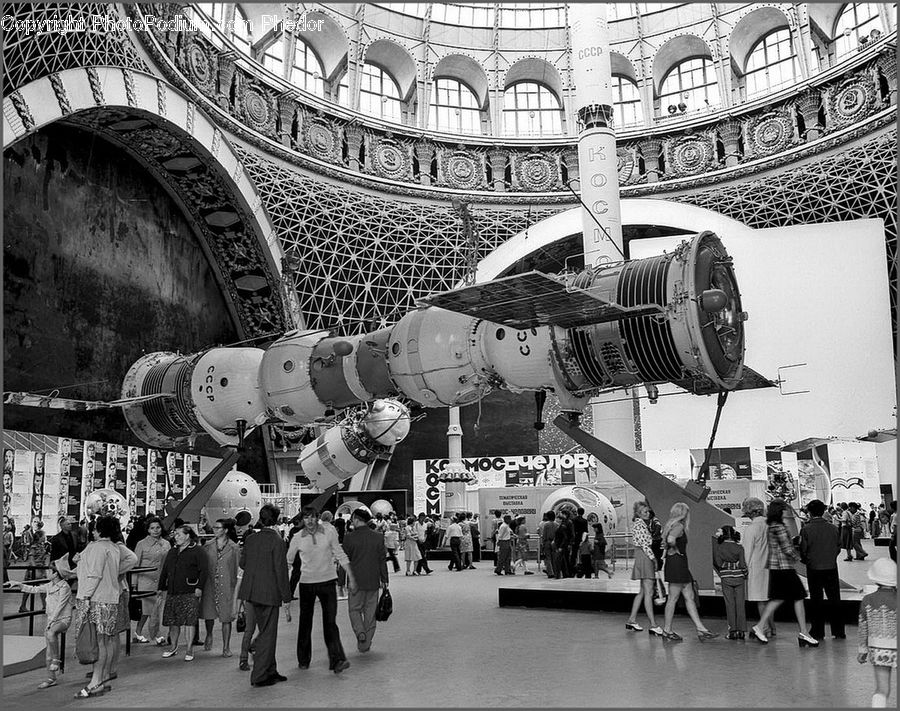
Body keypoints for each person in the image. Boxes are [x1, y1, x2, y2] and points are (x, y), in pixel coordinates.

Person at [285, 505, 356, 674]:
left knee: (330, 622)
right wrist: (284, 589)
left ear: (317, 517)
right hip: (307, 584)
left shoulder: (329, 532)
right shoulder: (297, 537)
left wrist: (351, 577)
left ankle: (337, 660)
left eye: (312, 517)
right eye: (306, 517)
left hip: (327, 581)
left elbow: (340, 554)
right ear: (302, 519)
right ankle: (303, 659)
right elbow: (288, 562)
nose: (309, 521)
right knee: (305, 622)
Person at [750, 499, 819, 647]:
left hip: (776, 568)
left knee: (780, 598)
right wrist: (799, 557)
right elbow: (787, 548)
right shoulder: (779, 527)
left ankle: (762, 626)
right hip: (784, 568)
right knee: (798, 596)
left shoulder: (770, 526)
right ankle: (803, 633)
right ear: (780, 511)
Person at [238, 504, 292, 687]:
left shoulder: (251, 539)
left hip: (250, 592)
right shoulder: (276, 540)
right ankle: (260, 675)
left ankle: (271, 670)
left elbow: (243, 563)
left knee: (266, 632)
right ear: (276, 519)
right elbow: (281, 570)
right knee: (268, 634)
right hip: (268, 592)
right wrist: (286, 597)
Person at [71, 515, 125, 698]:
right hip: (111, 598)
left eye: (94, 528)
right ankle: (103, 678)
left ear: (100, 529)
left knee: (98, 642)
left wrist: (86, 596)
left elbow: (94, 575)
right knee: (107, 639)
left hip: (95, 599)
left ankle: (95, 682)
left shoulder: (96, 547)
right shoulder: (114, 548)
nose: (92, 531)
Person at [7, 556, 74, 689]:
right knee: (48, 650)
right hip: (52, 619)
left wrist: (52, 622)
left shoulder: (64, 587)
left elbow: (61, 606)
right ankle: (51, 678)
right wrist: (19, 584)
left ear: (56, 574)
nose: (47, 573)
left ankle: (57, 659)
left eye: (49, 571)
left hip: (63, 619)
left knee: (51, 633)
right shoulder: (49, 585)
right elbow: (34, 589)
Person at [660, 502, 718, 642]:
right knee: (674, 598)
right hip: (678, 564)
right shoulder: (679, 526)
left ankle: (700, 628)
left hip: (676, 564)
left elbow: (666, 543)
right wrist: (674, 547)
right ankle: (667, 630)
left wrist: (671, 548)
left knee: (689, 596)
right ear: (683, 513)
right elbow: (670, 540)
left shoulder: (669, 526)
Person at [342, 508, 389, 653]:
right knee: (370, 611)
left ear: (355, 519)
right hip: (373, 580)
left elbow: (344, 560)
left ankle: (359, 631)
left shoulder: (349, 538)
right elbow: (382, 560)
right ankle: (366, 642)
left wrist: (340, 581)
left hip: (355, 580)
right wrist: (384, 579)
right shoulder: (378, 537)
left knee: (354, 609)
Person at [158, 525, 208, 662]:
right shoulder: (172, 551)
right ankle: (173, 647)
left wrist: (199, 587)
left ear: (187, 535)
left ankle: (189, 648)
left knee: (189, 621)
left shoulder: (198, 551)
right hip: (173, 590)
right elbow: (165, 570)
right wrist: (161, 587)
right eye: (175, 534)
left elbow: (204, 570)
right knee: (173, 621)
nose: (176, 536)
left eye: (179, 534)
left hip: (189, 590)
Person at [799, 498, 844, 641]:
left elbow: (803, 550)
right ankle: (839, 631)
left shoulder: (806, 529)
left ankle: (818, 631)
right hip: (831, 567)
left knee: (816, 600)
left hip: (814, 568)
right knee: (835, 599)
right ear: (823, 511)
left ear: (810, 513)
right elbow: (838, 547)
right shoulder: (833, 528)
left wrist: (808, 560)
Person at [857, 558, 897, 707]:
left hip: (878, 650)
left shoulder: (867, 600)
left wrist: (862, 650)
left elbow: (863, 627)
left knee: (882, 689)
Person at [201, 518, 240, 657]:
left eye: (218, 528)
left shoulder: (234, 547)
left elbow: (237, 570)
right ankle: (209, 634)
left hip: (227, 585)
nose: (215, 530)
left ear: (226, 530)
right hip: (210, 584)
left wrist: (237, 589)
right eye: (214, 527)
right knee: (209, 614)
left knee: (226, 617)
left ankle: (226, 646)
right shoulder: (207, 546)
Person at [625, 501, 663, 636]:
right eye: (644, 512)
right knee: (648, 592)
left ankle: (632, 620)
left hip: (641, 556)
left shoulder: (639, 524)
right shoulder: (640, 525)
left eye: (648, 511)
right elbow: (645, 545)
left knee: (642, 591)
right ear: (638, 513)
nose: (647, 514)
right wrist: (653, 559)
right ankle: (653, 625)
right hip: (645, 556)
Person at [133, 516, 171, 645]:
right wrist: (134, 584)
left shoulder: (166, 543)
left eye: (158, 527)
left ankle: (140, 632)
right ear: (148, 530)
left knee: (155, 610)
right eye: (152, 528)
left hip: (160, 581)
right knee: (148, 610)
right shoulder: (141, 544)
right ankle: (154, 634)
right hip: (145, 581)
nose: (155, 530)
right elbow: (135, 565)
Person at [741, 496, 775, 638]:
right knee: (769, 599)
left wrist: (743, 568)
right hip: (770, 567)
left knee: (760, 600)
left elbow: (746, 552)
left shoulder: (751, 528)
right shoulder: (770, 525)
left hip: (756, 568)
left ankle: (765, 628)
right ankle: (772, 628)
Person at [713, 525, 748, 640]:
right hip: (739, 578)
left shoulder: (720, 547)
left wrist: (726, 566)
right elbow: (742, 564)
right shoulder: (739, 547)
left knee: (730, 604)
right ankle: (742, 631)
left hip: (726, 578)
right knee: (740, 604)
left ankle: (732, 631)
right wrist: (745, 573)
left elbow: (718, 563)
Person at [234, 510, 257, 668]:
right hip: (253, 598)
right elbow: (239, 583)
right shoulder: (248, 562)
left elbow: (239, 583)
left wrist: (238, 606)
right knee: (253, 629)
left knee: (251, 629)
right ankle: (245, 655)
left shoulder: (246, 561)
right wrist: (237, 606)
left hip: (251, 598)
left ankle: (246, 654)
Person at [538, 511, 557, 578]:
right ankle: (555, 571)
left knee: (548, 558)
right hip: (554, 542)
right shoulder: (556, 524)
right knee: (554, 557)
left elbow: (544, 535)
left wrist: (543, 543)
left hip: (547, 542)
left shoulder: (546, 524)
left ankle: (550, 572)